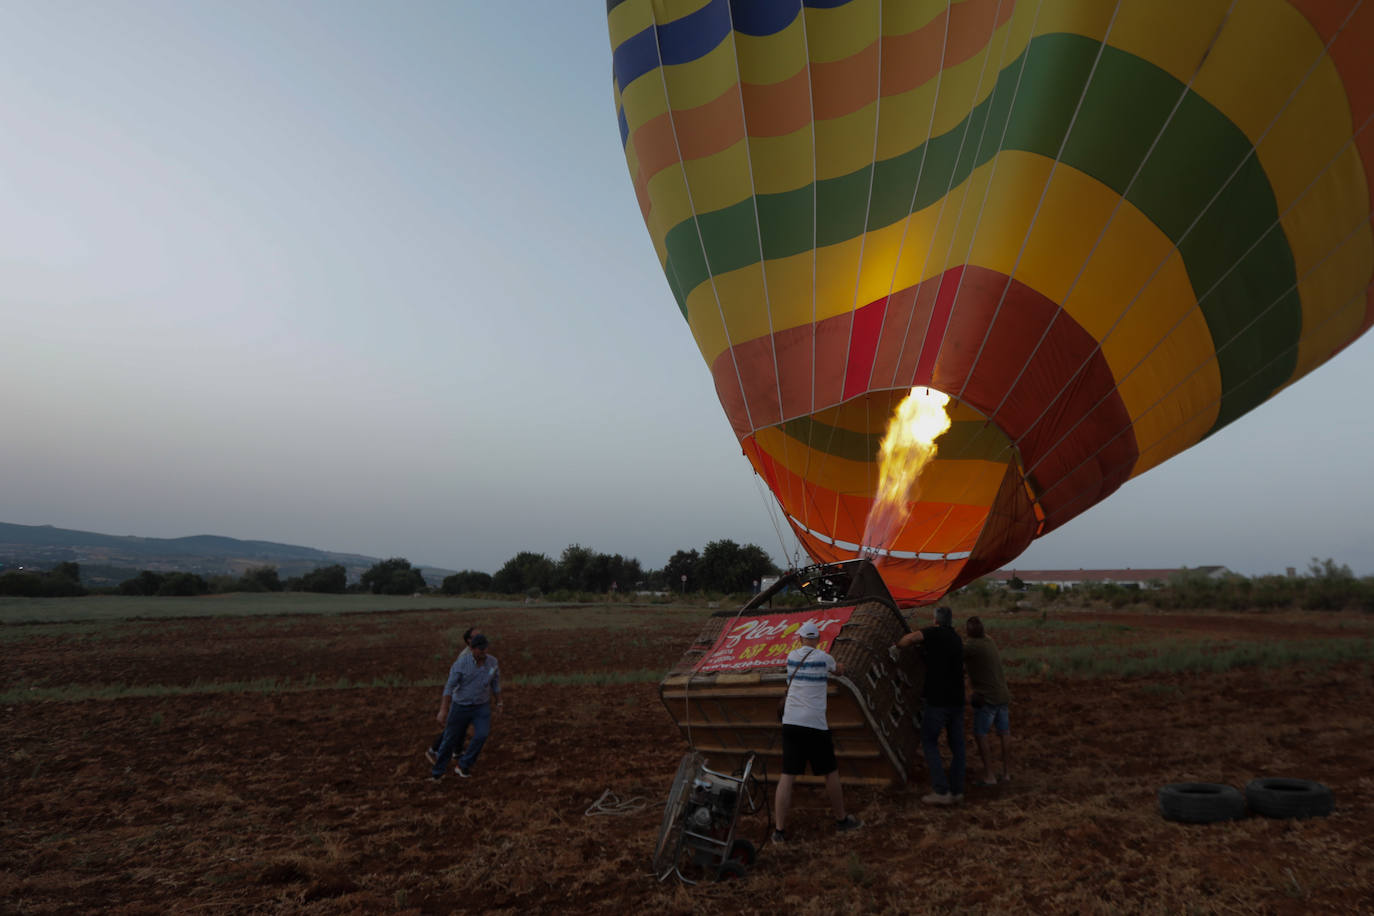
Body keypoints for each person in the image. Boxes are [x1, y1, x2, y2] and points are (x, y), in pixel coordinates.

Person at [772, 621, 861, 842]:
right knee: (830, 772)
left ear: (800, 638)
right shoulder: (824, 658)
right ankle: (841, 821)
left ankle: (779, 831)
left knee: (787, 776)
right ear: (818, 640)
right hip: (815, 724)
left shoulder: (791, 657)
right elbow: (839, 670)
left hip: (791, 722)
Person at [896, 605, 966, 805]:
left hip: (938, 700)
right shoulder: (956, 638)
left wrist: (895, 647)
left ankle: (941, 791)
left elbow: (909, 639)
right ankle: (957, 790)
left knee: (929, 741)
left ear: (936, 620)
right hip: (957, 700)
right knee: (958, 746)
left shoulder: (933, 633)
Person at [429, 633, 502, 780]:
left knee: (482, 735)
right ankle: (437, 773)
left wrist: (499, 701)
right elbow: (449, 687)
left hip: (481, 707)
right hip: (460, 707)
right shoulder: (461, 664)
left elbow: (495, 683)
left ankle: (463, 765)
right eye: (480, 649)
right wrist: (443, 710)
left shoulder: (493, 662)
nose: (483, 652)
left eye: (485, 648)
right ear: (471, 648)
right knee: (449, 739)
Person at [963, 616, 1012, 785]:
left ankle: (990, 776)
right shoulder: (989, 641)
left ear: (968, 632)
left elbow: (953, 656)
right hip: (1003, 695)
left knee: (981, 734)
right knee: (1004, 733)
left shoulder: (970, 646)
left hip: (987, 699)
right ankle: (1006, 773)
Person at [426, 627, 484, 763]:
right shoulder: (465, 657)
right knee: (455, 726)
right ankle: (433, 750)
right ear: (469, 640)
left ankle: (457, 752)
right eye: (476, 636)